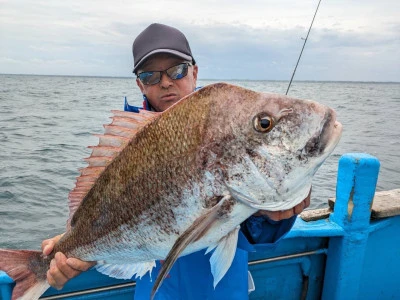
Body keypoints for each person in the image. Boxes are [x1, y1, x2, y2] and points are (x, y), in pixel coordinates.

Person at [42, 23, 310, 299]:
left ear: (194, 72)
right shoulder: (125, 150)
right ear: (140, 85)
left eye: (177, 70)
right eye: (150, 75)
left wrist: (273, 214)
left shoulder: (228, 129)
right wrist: (72, 250)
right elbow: (107, 221)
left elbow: (254, 231)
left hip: (221, 292)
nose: (166, 82)